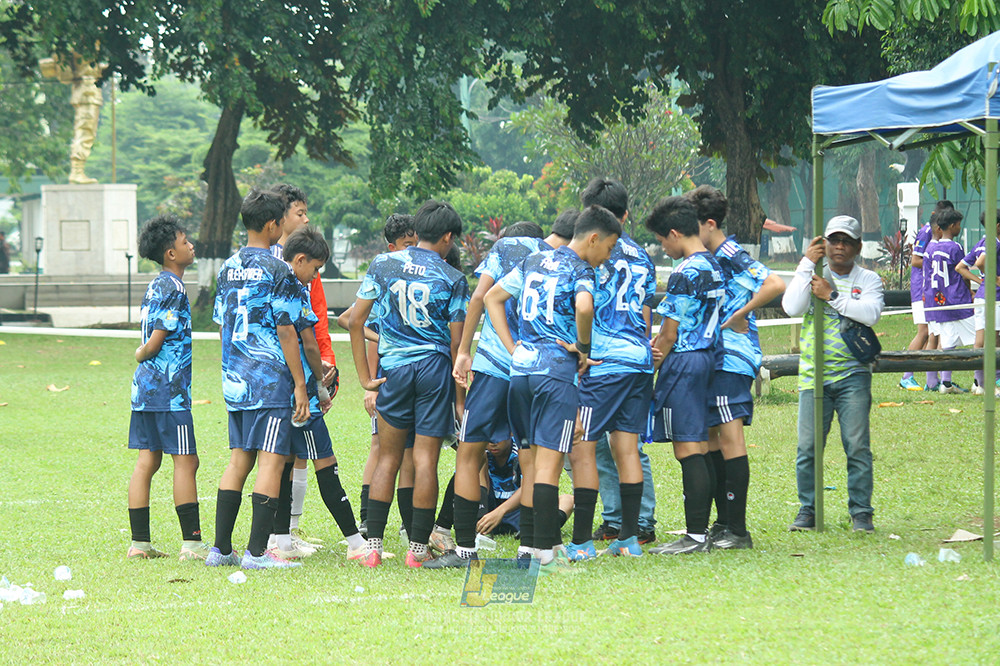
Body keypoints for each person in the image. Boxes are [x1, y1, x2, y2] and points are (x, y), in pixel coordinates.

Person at [425, 218, 571, 569]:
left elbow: (481, 295)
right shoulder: (562, 259)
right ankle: (530, 551)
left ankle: (463, 552)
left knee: (469, 452)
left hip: (493, 365)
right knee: (532, 456)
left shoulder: (506, 247)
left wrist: (462, 351)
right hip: (536, 370)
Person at [483, 205, 621, 574]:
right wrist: (583, 348)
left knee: (528, 461)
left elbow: (492, 298)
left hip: (521, 372)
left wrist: (513, 347)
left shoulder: (534, 261)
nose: (606, 256)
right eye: (608, 248)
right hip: (554, 375)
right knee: (549, 464)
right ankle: (546, 555)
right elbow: (585, 306)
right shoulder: (581, 269)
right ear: (593, 238)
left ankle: (529, 547)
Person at [348, 200, 469, 569]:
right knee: (425, 460)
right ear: (447, 237)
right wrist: (460, 399)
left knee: (387, 457)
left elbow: (355, 321)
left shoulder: (383, 264)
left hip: (394, 370)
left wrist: (366, 381)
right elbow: (456, 346)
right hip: (433, 369)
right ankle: (416, 552)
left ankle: (372, 549)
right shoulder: (452, 278)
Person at [205, 189, 311, 570]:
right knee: (271, 462)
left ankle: (219, 550)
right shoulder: (278, 269)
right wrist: (300, 384)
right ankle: (254, 554)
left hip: (236, 380)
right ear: (271, 225)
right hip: (269, 382)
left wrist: (231, 367)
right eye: (282, 219)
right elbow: (286, 330)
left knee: (238, 461)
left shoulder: (227, 267)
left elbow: (222, 325)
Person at [689, 185, 786, 550]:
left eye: (692, 225)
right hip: (715, 355)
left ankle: (739, 529)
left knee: (729, 438)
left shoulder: (729, 252)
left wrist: (741, 313)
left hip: (734, 355)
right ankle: (723, 522)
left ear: (710, 224)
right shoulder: (710, 255)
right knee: (713, 438)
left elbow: (775, 283)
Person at [571, 178, 657, 560]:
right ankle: (629, 537)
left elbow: (582, 306)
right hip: (638, 361)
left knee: (582, 445)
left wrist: (583, 349)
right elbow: (644, 310)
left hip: (602, 363)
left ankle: (582, 542)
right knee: (627, 448)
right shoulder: (643, 256)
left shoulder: (589, 253)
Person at [783, 215, 884, 534]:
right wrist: (804, 266)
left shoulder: (868, 279)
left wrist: (833, 296)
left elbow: (871, 313)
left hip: (854, 375)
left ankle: (861, 513)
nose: (839, 247)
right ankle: (808, 509)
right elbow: (791, 308)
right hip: (814, 376)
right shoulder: (812, 275)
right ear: (823, 244)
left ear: (857, 247)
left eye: (846, 241)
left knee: (856, 445)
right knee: (808, 448)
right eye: (833, 240)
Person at [276, 227, 367, 560]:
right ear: (300, 260)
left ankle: (281, 541)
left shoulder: (269, 281)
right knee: (325, 464)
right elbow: (309, 342)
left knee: (283, 466)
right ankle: (356, 544)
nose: (315, 276)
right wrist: (318, 382)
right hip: (300, 398)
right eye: (315, 269)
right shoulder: (294, 288)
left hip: (273, 390)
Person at [644, 196, 724, 556]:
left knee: (687, 448)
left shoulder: (684, 271)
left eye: (663, 241)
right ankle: (700, 532)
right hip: (708, 358)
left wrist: (653, 360)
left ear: (674, 233)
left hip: (685, 363)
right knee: (701, 445)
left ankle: (694, 537)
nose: (663, 247)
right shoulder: (713, 264)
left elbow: (670, 333)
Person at [127, 215, 205, 560]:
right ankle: (192, 544)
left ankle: (139, 544)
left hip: (144, 392)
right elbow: (156, 340)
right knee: (187, 462)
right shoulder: (173, 287)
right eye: (185, 241)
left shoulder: (154, 284)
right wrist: (142, 351)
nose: (191, 245)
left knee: (148, 460)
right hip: (168, 393)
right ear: (171, 253)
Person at [337, 214, 419, 545]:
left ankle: (407, 523)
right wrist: (371, 377)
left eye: (416, 244)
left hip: (410, 371)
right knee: (381, 447)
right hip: (388, 376)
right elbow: (349, 320)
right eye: (406, 245)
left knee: (411, 450)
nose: (412, 251)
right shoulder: (383, 274)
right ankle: (368, 519)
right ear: (391, 247)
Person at [267, 184, 337, 548]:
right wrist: (307, 378)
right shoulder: (283, 269)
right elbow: (294, 330)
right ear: (279, 220)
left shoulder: (306, 261)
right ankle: (282, 535)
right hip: (290, 372)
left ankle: (286, 533)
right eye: (299, 214)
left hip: (309, 365)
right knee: (289, 453)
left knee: (296, 453)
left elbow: (318, 316)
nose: (306, 219)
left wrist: (326, 359)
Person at [925, 207, 975, 393]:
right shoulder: (955, 248)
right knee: (982, 336)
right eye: (959, 225)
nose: (960, 228)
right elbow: (962, 273)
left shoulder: (931, 248)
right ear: (952, 226)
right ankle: (982, 382)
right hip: (957, 300)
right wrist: (970, 291)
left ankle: (945, 383)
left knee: (947, 342)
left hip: (939, 301)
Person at [958, 209, 1000, 396]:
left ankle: (978, 382)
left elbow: (961, 267)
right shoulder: (995, 243)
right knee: (996, 339)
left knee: (980, 339)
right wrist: (994, 278)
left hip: (982, 295)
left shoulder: (981, 243)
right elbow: (982, 263)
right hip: (994, 297)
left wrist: (980, 281)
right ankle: (996, 381)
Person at [898, 205, 938, 390]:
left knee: (933, 333)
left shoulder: (937, 232)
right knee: (923, 333)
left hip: (930, 290)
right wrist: (936, 261)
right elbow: (915, 260)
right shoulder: (927, 232)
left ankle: (933, 381)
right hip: (920, 290)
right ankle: (906, 376)